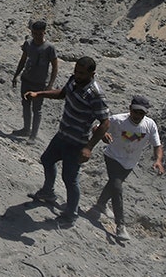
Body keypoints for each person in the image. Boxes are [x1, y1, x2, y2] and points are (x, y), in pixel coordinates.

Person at [26, 56, 110, 225]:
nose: (77, 75)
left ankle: (71, 214)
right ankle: (48, 192)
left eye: (81, 73)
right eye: (76, 71)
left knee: (70, 179)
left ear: (92, 74)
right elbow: (63, 93)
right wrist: (39, 94)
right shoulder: (73, 81)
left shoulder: (95, 94)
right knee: (47, 160)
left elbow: (105, 122)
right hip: (63, 135)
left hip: (77, 142)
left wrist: (89, 147)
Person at [89, 96, 164, 242]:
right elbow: (96, 128)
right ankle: (120, 226)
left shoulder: (150, 125)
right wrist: (103, 133)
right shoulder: (118, 120)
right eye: (135, 112)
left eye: (141, 113)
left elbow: (157, 145)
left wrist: (158, 160)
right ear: (130, 109)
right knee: (117, 188)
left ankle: (101, 204)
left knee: (113, 185)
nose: (137, 116)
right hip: (113, 157)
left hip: (130, 162)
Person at [11, 20, 58, 141]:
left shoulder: (49, 48)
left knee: (37, 109)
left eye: (39, 34)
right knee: (25, 105)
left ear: (44, 33)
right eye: (34, 33)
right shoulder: (28, 44)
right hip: (27, 79)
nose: (37, 36)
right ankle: (26, 129)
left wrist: (50, 85)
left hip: (40, 83)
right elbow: (23, 60)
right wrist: (16, 74)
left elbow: (55, 67)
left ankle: (33, 135)